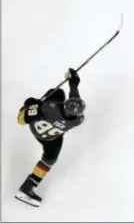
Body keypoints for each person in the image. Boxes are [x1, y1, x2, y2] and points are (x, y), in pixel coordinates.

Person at [15, 68, 86, 207]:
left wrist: (30, 108)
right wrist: (74, 84)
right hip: (51, 139)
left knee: (57, 92)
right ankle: (28, 186)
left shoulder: (49, 106)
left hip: (35, 127)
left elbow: (20, 121)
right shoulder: (78, 120)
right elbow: (74, 102)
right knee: (50, 158)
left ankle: (28, 109)